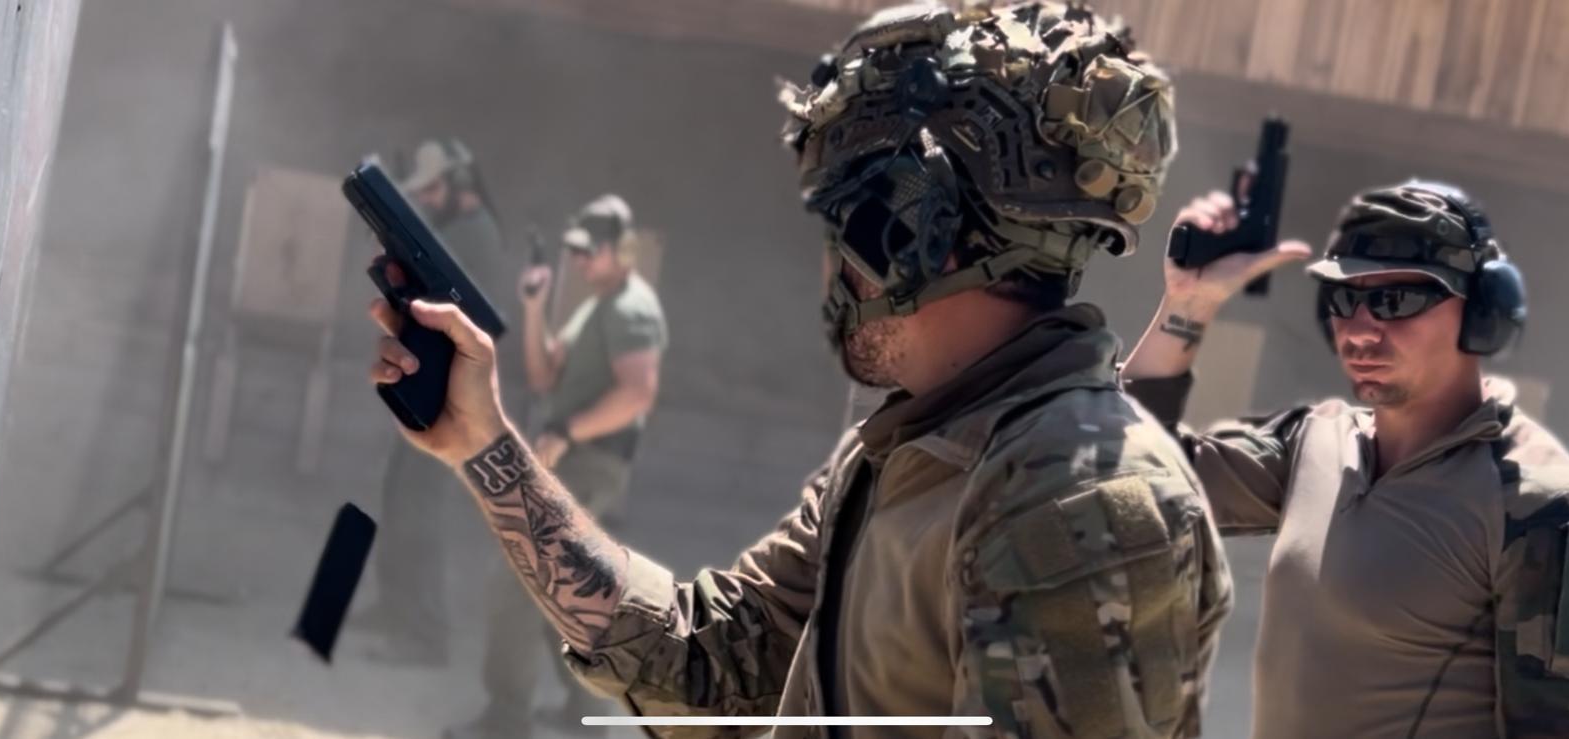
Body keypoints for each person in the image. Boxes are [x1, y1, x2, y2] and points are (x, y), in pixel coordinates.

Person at [369, 3, 1231, 737]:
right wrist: (482, 442)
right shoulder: (899, 453)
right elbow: (704, 660)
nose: (828, 262)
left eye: (848, 218)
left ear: (913, 231)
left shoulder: (1079, 502)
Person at [1122, 181, 1569, 738]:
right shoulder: (1314, 442)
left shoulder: (1537, 503)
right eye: (1344, 300)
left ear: (1482, 312)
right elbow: (1130, 482)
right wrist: (1187, 306)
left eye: (1396, 302)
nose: (1361, 331)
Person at [447, 194, 668, 739]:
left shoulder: (631, 309)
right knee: (564, 586)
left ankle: (507, 718)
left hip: (590, 463)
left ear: (621, 251)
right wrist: (534, 307)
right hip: (575, 462)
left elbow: (637, 393)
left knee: (519, 579)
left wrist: (567, 433)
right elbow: (544, 375)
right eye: (577, 251)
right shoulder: (598, 306)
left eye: (591, 251)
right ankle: (583, 713)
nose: (581, 261)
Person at [350, 137, 511, 666]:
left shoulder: (472, 233)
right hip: (437, 389)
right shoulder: (462, 230)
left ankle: (425, 634)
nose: (427, 199)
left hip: (451, 395)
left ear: (460, 184)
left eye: (434, 188)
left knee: (420, 510)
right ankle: (398, 606)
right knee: (400, 495)